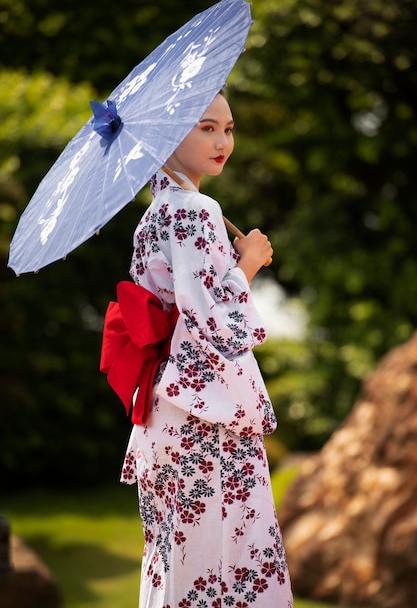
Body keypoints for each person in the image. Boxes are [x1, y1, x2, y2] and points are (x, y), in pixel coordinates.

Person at [116, 91, 293, 607]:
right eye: (206, 128)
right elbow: (215, 321)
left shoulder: (153, 218)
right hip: (207, 410)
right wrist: (251, 262)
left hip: (166, 409)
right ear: (169, 136)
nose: (223, 141)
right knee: (226, 555)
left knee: (178, 556)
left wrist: (231, 263)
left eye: (229, 128)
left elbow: (188, 304)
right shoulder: (196, 209)